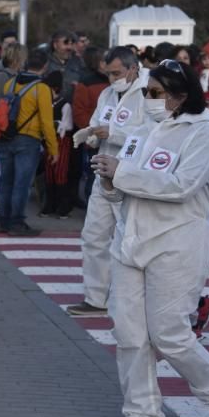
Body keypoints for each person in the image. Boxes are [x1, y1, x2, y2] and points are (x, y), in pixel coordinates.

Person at [93, 60, 209, 417]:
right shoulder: (142, 131)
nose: (149, 99)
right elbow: (125, 188)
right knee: (129, 334)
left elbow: (182, 186)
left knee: (170, 335)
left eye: (155, 93)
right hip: (131, 242)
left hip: (176, 244)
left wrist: (122, 173)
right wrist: (110, 180)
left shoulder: (203, 134)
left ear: (180, 96)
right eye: (146, 91)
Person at [69, 47, 148, 317]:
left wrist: (113, 133)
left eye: (117, 73)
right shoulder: (107, 93)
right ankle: (95, 298)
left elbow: (149, 136)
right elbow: (96, 122)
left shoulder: (150, 94)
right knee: (93, 236)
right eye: (109, 73)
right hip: (102, 172)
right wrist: (90, 135)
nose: (113, 78)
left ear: (132, 68)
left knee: (129, 239)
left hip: (130, 176)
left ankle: (132, 298)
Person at [0, 48, 58, 236]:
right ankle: (17, 223)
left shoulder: (9, 83)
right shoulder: (42, 89)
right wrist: (53, 149)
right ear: (45, 66)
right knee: (21, 184)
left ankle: (4, 222)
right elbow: (47, 123)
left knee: (5, 180)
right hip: (28, 140)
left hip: (6, 138)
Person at [0, 43, 28, 216]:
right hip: (1, 127)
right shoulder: (4, 77)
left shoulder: (2, 75)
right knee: (2, 165)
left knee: (2, 165)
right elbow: (0, 102)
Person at [71, 46, 110, 199]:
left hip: (115, 138)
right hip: (95, 139)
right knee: (93, 177)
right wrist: (93, 131)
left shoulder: (118, 83)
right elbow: (79, 112)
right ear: (101, 63)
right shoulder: (86, 83)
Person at [38, 71, 75, 218]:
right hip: (48, 140)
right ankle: (49, 205)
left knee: (60, 173)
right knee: (49, 173)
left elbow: (69, 125)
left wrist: (56, 125)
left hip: (62, 141)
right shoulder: (45, 102)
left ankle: (63, 207)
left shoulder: (65, 104)